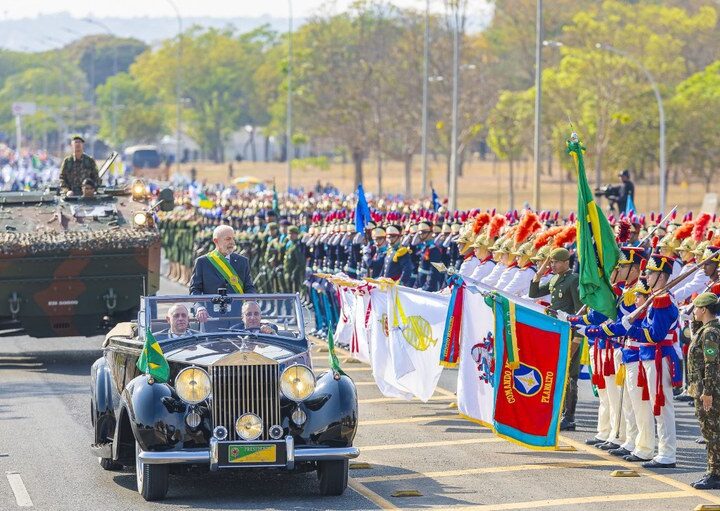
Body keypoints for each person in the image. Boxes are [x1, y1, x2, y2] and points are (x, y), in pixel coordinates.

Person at [529, 247, 582, 430]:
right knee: (558, 372)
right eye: (551, 262)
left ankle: (570, 417)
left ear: (566, 262)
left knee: (570, 375)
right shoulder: (554, 278)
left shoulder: (573, 280)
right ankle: (558, 412)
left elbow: (580, 311)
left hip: (569, 334)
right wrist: (541, 269)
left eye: (555, 262)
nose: (553, 265)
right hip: (556, 333)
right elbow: (533, 293)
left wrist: (576, 340)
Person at [190, 224, 256, 322]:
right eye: (228, 239)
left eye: (233, 239)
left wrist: (251, 303)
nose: (232, 242)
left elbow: (249, 287)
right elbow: (195, 290)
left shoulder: (242, 261)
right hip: (210, 317)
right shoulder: (202, 262)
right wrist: (200, 308)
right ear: (216, 241)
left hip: (237, 317)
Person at [687, 292, 720, 489]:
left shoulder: (710, 333)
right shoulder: (706, 329)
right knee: (711, 430)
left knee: (712, 431)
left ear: (704, 309)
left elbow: (711, 364)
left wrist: (707, 391)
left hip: (709, 389)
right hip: (704, 387)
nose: (694, 312)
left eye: (696, 309)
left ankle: (714, 473)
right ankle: (714, 470)